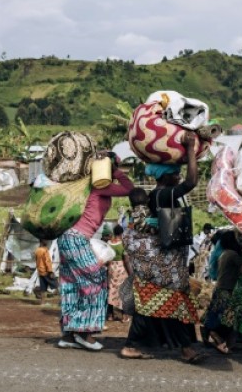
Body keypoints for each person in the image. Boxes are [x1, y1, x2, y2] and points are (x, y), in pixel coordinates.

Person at [120, 132, 205, 364]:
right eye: (175, 173)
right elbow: (192, 182)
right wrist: (189, 147)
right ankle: (185, 349)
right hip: (164, 267)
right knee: (171, 303)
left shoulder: (160, 194)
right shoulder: (162, 194)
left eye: (178, 173)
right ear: (165, 177)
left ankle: (133, 345)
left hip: (167, 265)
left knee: (155, 305)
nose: (178, 176)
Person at [57, 151, 133, 351]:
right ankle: (85, 334)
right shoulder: (101, 187)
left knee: (71, 285)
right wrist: (117, 172)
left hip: (66, 237)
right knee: (96, 280)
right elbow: (130, 189)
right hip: (77, 238)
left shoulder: (85, 186)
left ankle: (68, 334)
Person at [201, 230, 242, 354]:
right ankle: (218, 338)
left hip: (221, 288)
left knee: (215, 313)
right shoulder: (233, 255)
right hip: (227, 289)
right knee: (226, 318)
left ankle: (222, 340)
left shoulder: (224, 253)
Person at [106, 225, 129, 322]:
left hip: (111, 268)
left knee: (111, 290)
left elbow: (107, 257)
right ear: (121, 233)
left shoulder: (108, 243)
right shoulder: (122, 244)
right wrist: (130, 272)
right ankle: (124, 316)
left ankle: (110, 315)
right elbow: (126, 259)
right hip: (121, 268)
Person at [33, 239, 58, 305]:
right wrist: (50, 271)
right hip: (46, 271)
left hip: (40, 271)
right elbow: (47, 261)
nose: (46, 242)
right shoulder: (45, 251)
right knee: (56, 284)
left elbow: (36, 261)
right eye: (45, 241)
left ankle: (42, 302)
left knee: (43, 288)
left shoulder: (37, 250)